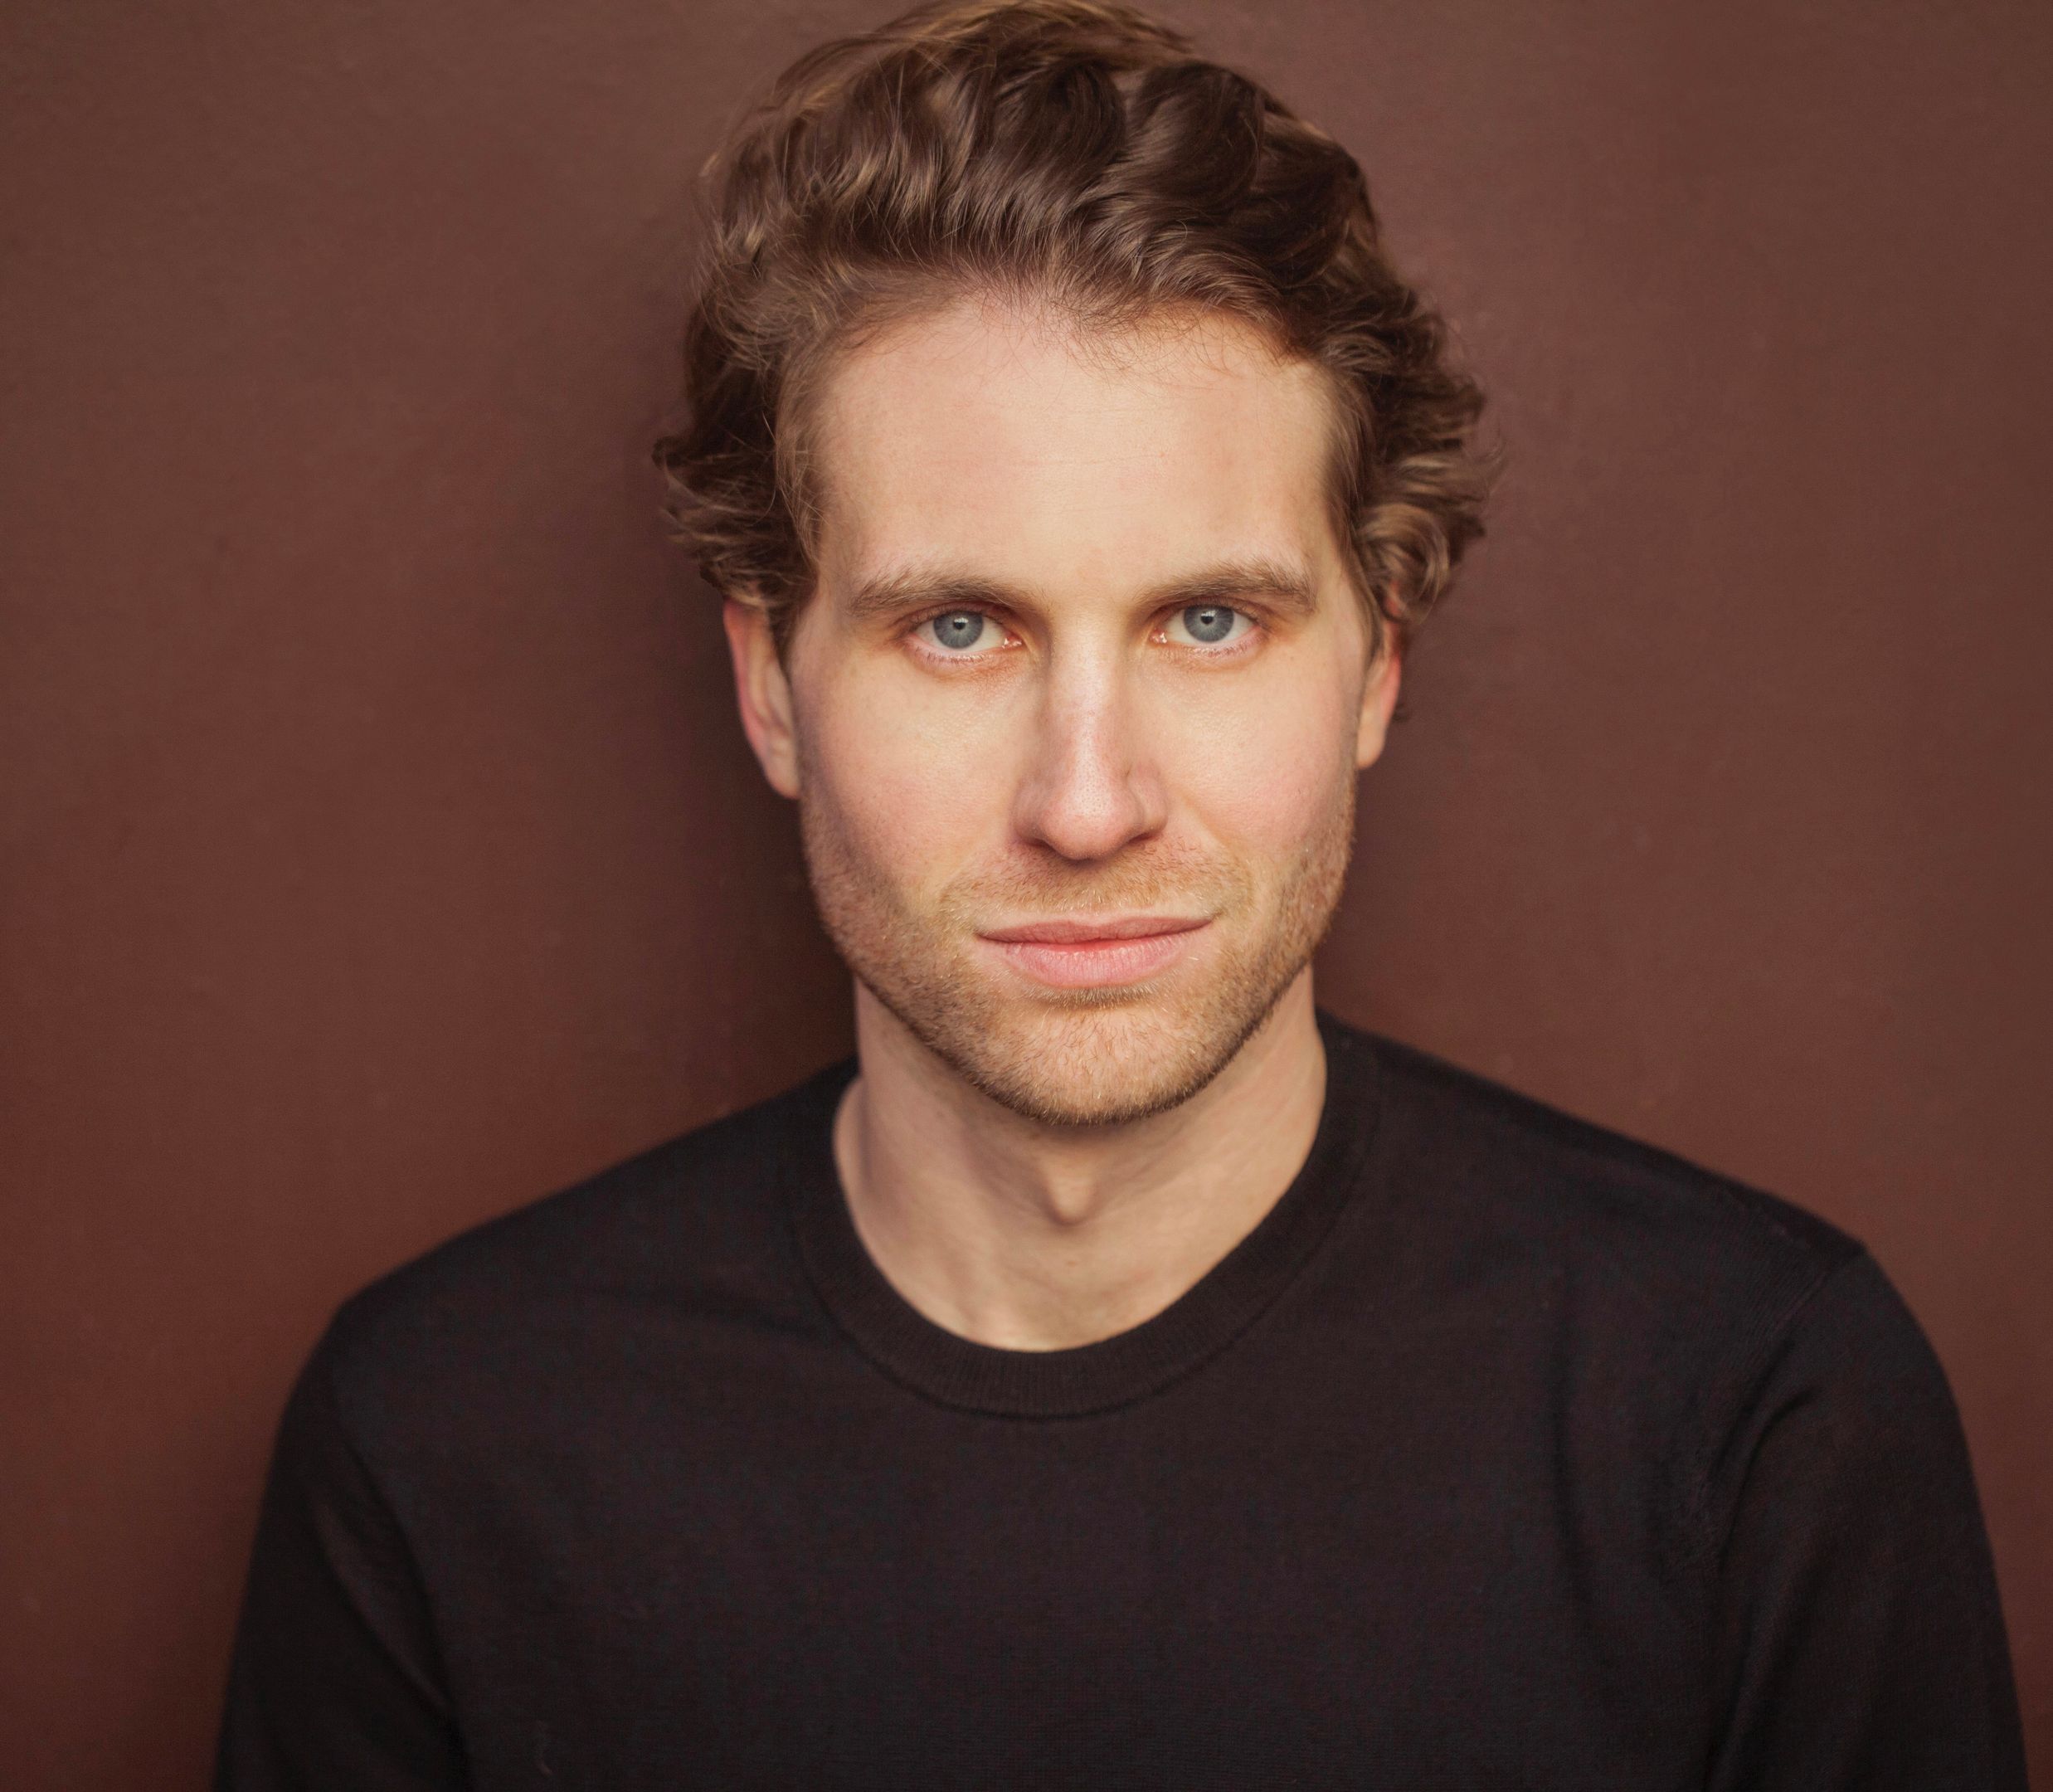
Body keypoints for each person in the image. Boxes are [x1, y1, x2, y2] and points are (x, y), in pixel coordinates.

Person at [214, 2, 2027, 1785]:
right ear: (770, 686)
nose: (1087, 805)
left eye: (1209, 621)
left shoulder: (1753, 1413)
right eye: (957, 628)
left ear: (1379, 665)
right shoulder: (447, 1440)